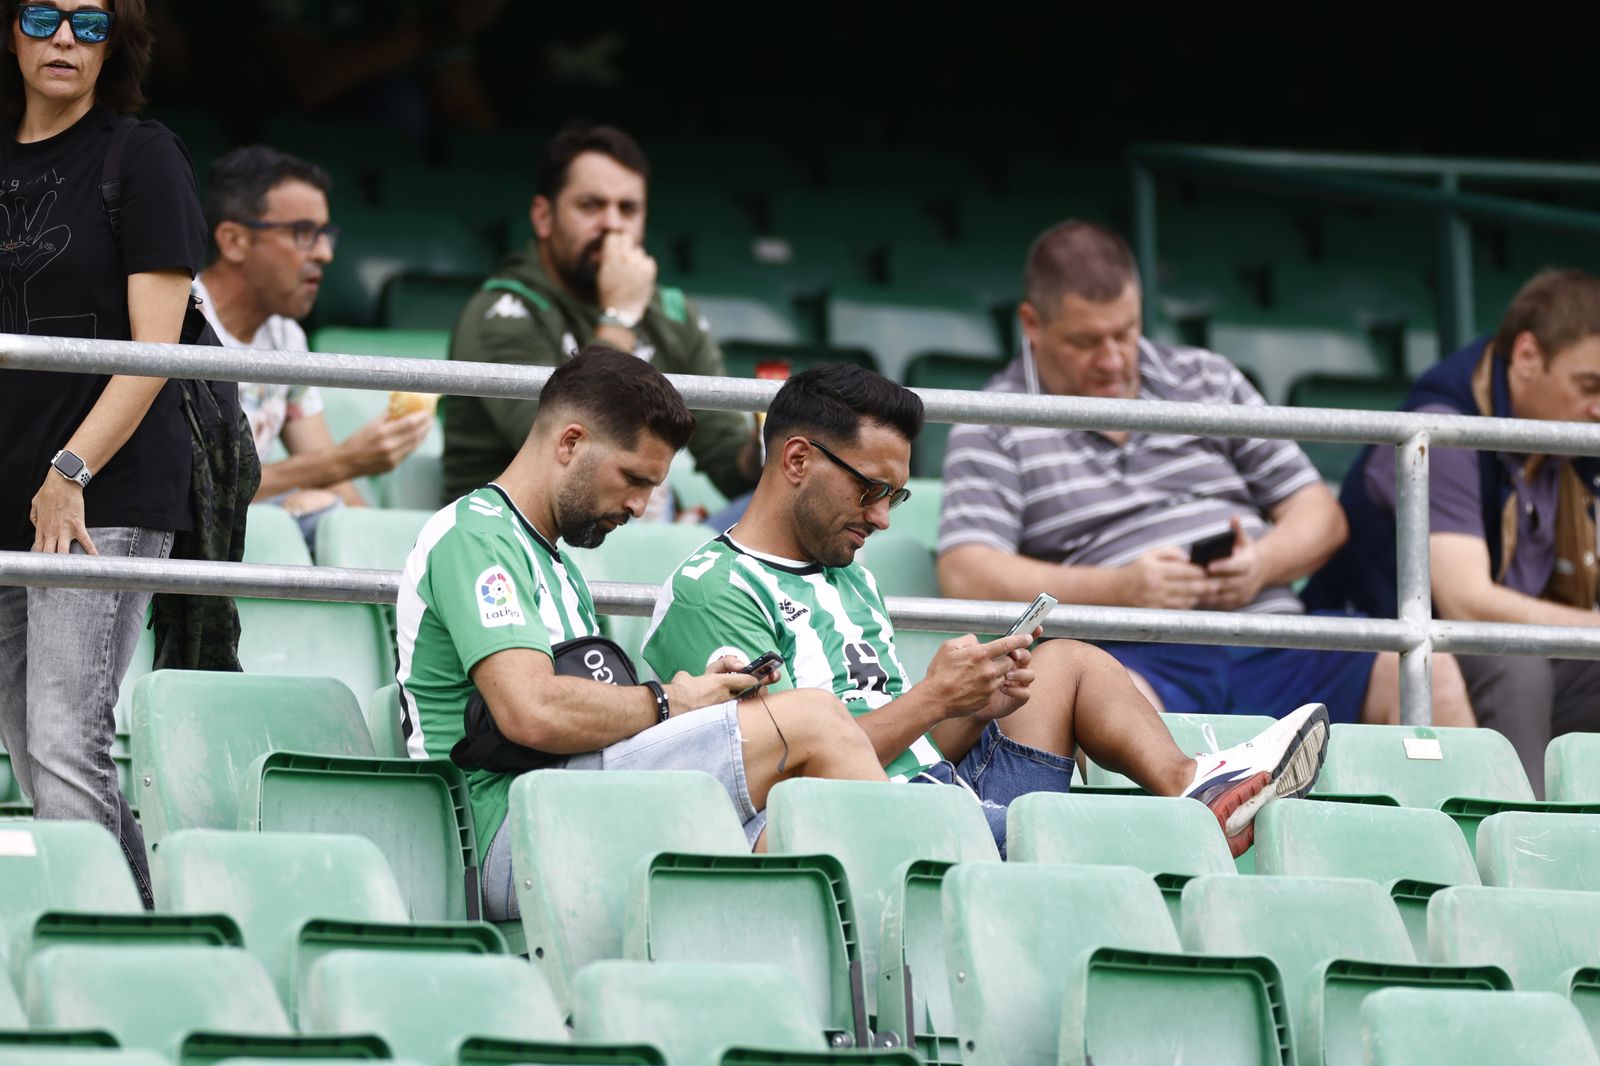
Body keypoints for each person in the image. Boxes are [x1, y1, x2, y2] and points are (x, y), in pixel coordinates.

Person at [642, 364, 1333, 857]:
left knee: (1067, 663)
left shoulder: (852, 577)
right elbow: (804, 775)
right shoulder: (713, 591)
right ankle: (1177, 838)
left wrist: (973, 706)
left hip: (938, 795)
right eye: (870, 489)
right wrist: (934, 699)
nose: (882, 517)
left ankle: (1193, 787)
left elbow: (905, 753)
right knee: (1099, 846)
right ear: (797, 459)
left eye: (896, 497)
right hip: (859, 835)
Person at [398, 346, 888, 921]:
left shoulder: (556, 563)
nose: (640, 506)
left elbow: (585, 718)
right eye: (633, 478)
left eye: (653, 486)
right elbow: (530, 711)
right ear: (570, 442)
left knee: (795, 821)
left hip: (562, 804)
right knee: (814, 719)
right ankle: (916, 924)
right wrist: (671, 700)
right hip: (499, 830)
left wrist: (696, 704)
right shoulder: (476, 536)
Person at [936, 220, 1474, 730]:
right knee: (1093, 705)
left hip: (1273, 637)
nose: (1112, 359)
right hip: (1132, 658)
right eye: (1085, 341)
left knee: (1424, 669)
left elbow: (1318, 514)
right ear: (1031, 324)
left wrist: (1258, 565)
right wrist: (1118, 590)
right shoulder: (995, 419)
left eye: (1125, 332)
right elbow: (965, 571)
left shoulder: (1205, 376)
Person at [0, 0, 208, 906]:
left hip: (100, 492)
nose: (62, 41)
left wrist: (67, 473)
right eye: (44, 17)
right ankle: (145, 931)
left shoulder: (141, 155)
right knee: (33, 746)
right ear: (9, 29)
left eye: (89, 25)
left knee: (63, 741)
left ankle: (91, 949)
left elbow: (152, 353)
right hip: (12, 493)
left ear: (112, 46)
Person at [1305, 270, 1600, 794]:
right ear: (1528, 357)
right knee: (1518, 668)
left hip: (1478, 655)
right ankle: (1522, 853)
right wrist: (1589, 624)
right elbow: (1468, 604)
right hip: (1377, 660)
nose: (1599, 409)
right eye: (1589, 387)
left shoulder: (1563, 442)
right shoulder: (1442, 431)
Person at [442, 120, 761, 512]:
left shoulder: (674, 315)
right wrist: (620, 316)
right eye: (591, 205)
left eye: (628, 209)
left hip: (633, 533)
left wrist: (764, 445)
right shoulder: (502, 312)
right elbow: (564, 451)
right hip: (515, 538)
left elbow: (732, 469)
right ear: (543, 217)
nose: (613, 223)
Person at [194, 144, 431, 546]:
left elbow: (331, 476)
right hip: (187, 540)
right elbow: (192, 487)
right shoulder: (179, 320)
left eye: (325, 235)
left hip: (245, 539)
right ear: (234, 241)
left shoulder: (287, 337)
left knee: (326, 507)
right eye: (303, 233)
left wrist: (397, 556)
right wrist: (344, 460)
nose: (324, 254)